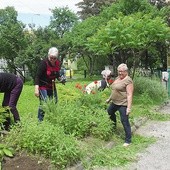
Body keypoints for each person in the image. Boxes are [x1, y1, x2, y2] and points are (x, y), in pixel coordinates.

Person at [106, 63, 134, 147]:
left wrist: (128, 108)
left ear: (126, 71)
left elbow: (129, 94)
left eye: (121, 71)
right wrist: (109, 99)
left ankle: (128, 140)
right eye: (119, 71)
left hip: (123, 104)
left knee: (124, 121)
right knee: (109, 112)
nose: (120, 73)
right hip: (114, 102)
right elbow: (114, 90)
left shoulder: (128, 80)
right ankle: (114, 126)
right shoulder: (118, 78)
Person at [34, 47, 65, 121]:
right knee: (44, 103)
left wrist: (61, 79)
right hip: (42, 86)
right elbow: (37, 76)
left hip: (51, 86)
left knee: (55, 102)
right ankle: (40, 121)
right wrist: (36, 89)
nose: (53, 60)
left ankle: (53, 118)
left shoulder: (57, 63)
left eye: (55, 58)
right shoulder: (43, 63)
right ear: (48, 56)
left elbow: (57, 73)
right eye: (51, 58)